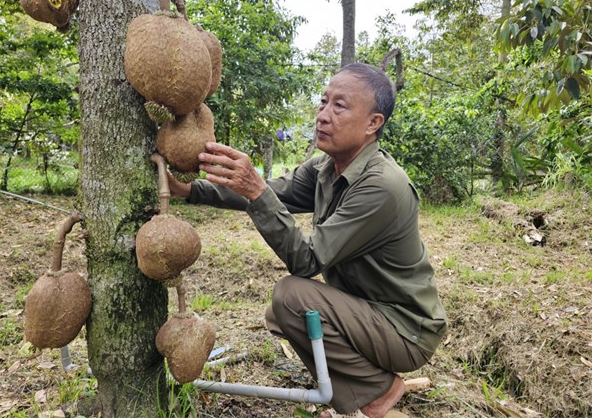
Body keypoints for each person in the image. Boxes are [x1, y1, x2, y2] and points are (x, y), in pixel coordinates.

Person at [167, 63, 447, 418]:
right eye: (323, 102)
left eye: (339, 106)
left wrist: (255, 190)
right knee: (282, 314)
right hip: (367, 311)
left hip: (405, 330)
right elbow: (271, 193)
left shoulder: (382, 186)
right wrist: (190, 190)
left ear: (373, 123)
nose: (323, 116)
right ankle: (357, 392)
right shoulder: (326, 168)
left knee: (292, 296)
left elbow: (307, 261)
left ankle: (377, 391)